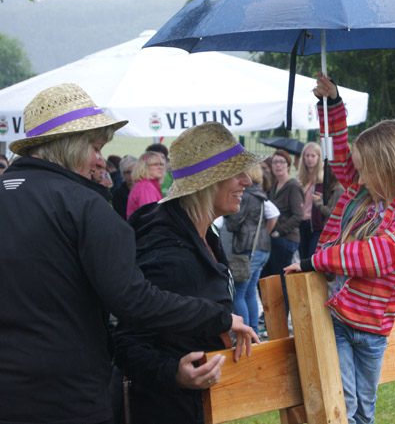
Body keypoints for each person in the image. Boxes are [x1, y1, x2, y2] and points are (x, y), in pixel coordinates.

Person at [0, 83, 256, 424]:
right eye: (94, 147)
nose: (99, 160)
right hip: (70, 396)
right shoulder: (86, 206)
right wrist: (216, 319)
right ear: (69, 146)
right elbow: (132, 302)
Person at [285, 76, 395, 424]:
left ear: (387, 168)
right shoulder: (364, 193)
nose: (356, 176)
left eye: (364, 170)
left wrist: (315, 261)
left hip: (372, 329)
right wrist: (331, 104)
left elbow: (372, 257)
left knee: (363, 411)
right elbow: (339, 156)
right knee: (343, 401)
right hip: (338, 319)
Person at [114, 122, 264, 424]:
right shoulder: (165, 247)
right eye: (236, 172)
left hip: (198, 406)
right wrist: (174, 374)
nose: (247, 181)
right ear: (209, 182)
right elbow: (126, 342)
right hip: (167, 409)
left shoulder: (203, 233)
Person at [225, 164, 279, 334]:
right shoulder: (260, 194)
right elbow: (274, 214)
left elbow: (233, 224)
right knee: (249, 292)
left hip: (247, 249)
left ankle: (245, 333)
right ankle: (253, 331)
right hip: (261, 248)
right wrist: (265, 232)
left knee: (239, 293)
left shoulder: (246, 196)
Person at [267, 149, 304, 314]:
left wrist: (279, 231)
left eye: (281, 162)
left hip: (286, 238)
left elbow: (298, 215)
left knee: (282, 281)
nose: (278, 166)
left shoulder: (293, 186)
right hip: (274, 239)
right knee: (272, 279)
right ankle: (273, 314)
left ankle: (283, 316)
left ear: (288, 165)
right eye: (275, 162)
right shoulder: (274, 185)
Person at [298, 141, 325, 259]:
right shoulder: (299, 179)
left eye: (313, 156)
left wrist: (320, 200)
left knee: (312, 258)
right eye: (307, 155)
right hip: (300, 223)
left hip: (316, 225)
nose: (309, 159)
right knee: (302, 258)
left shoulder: (323, 180)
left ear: (318, 157)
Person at [126, 151, 165, 218]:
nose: (160, 167)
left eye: (161, 164)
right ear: (144, 167)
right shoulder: (146, 187)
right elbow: (150, 215)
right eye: (155, 164)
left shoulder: (146, 184)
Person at [112, 154, 137, 219]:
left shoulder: (144, 190)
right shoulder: (118, 193)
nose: (131, 175)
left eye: (133, 171)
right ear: (122, 173)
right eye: (128, 172)